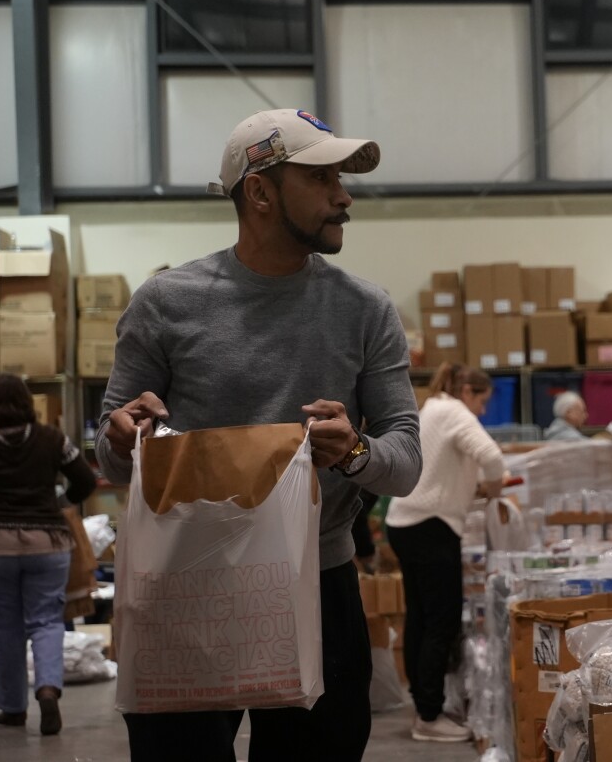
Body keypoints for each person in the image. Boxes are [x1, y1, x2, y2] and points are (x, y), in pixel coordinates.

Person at [96, 108, 423, 762]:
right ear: (261, 191)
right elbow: (111, 453)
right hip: (187, 585)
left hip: (319, 584)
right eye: (324, 177)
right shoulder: (166, 302)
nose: (344, 195)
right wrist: (125, 432)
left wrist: (355, 450)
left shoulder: (365, 309)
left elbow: (406, 460)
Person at [0, 374, 96, 736]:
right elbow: (86, 480)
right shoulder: (53, 439)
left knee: (4, 627)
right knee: (46, 620)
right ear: (28, 403)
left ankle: (13, 709)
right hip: (48, 542)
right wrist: (57, 502)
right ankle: (47, 689)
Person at [385, 363, 508, 742]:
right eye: (482, 402)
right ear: (468, 390)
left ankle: (424, 707)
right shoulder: (455, 411)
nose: (482, 411)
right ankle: (429, 716)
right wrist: (493, 489)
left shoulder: (433, 408)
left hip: (405, 522)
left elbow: (440, 470)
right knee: (442, 621)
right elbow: (492, 456)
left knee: (420, 619)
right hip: (431, 526)